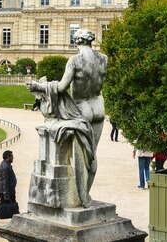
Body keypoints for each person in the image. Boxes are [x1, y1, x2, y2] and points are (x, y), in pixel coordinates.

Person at [27, 28, 107, 207]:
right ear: (90, 41)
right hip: (98, 107)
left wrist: (39, 86)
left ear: (77, 41)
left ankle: (81, 197)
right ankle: (86, 194)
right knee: (92, 154)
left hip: (82, 108)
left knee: (81, 157)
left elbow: (62, 87)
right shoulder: (103, 59)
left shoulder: (75, 60)